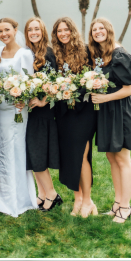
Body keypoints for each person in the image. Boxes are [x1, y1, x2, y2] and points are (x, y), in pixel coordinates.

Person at [90, 14, 131, 223]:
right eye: (94, 30)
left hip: (121, 110)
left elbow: (128, 90)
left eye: (101, 28)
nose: (98, 32)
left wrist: (104, 97)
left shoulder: (119, 54)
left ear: (109, 30)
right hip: (107, 110)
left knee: (122, 158)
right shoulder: (102, 56)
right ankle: (118, 203)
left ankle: (126, 207)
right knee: (112, 157)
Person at [49, 14, 99, 218]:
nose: (63, 34)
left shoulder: (86, 50)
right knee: (70, 156)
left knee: (82, 154)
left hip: (84, 112)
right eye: (59, 31)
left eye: (66, 29)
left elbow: (95, 76)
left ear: (72, 30)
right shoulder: (55, 54)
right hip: (64, 113)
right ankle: (78, 198)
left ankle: (87, 201)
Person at [0, 16, 38, 218]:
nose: (3, 34)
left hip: (16, 109)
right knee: (0, 147)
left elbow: (29, 82)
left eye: (7, 30)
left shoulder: (25, 54)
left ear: (15, 29)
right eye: (0, 31)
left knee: (14, 149)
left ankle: (15, 198)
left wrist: (24, 99)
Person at [22, 12, 61, 211]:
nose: (33, 32)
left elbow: (55, 81)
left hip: (41, 114)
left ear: (42, 31)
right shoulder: (27, 53)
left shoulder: (48, 53)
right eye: (30, 29)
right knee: (32, 153)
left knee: (37, 154)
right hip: (30, 112)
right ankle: (43, 193)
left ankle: (52, 194)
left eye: (37, 28)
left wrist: (43, 101)